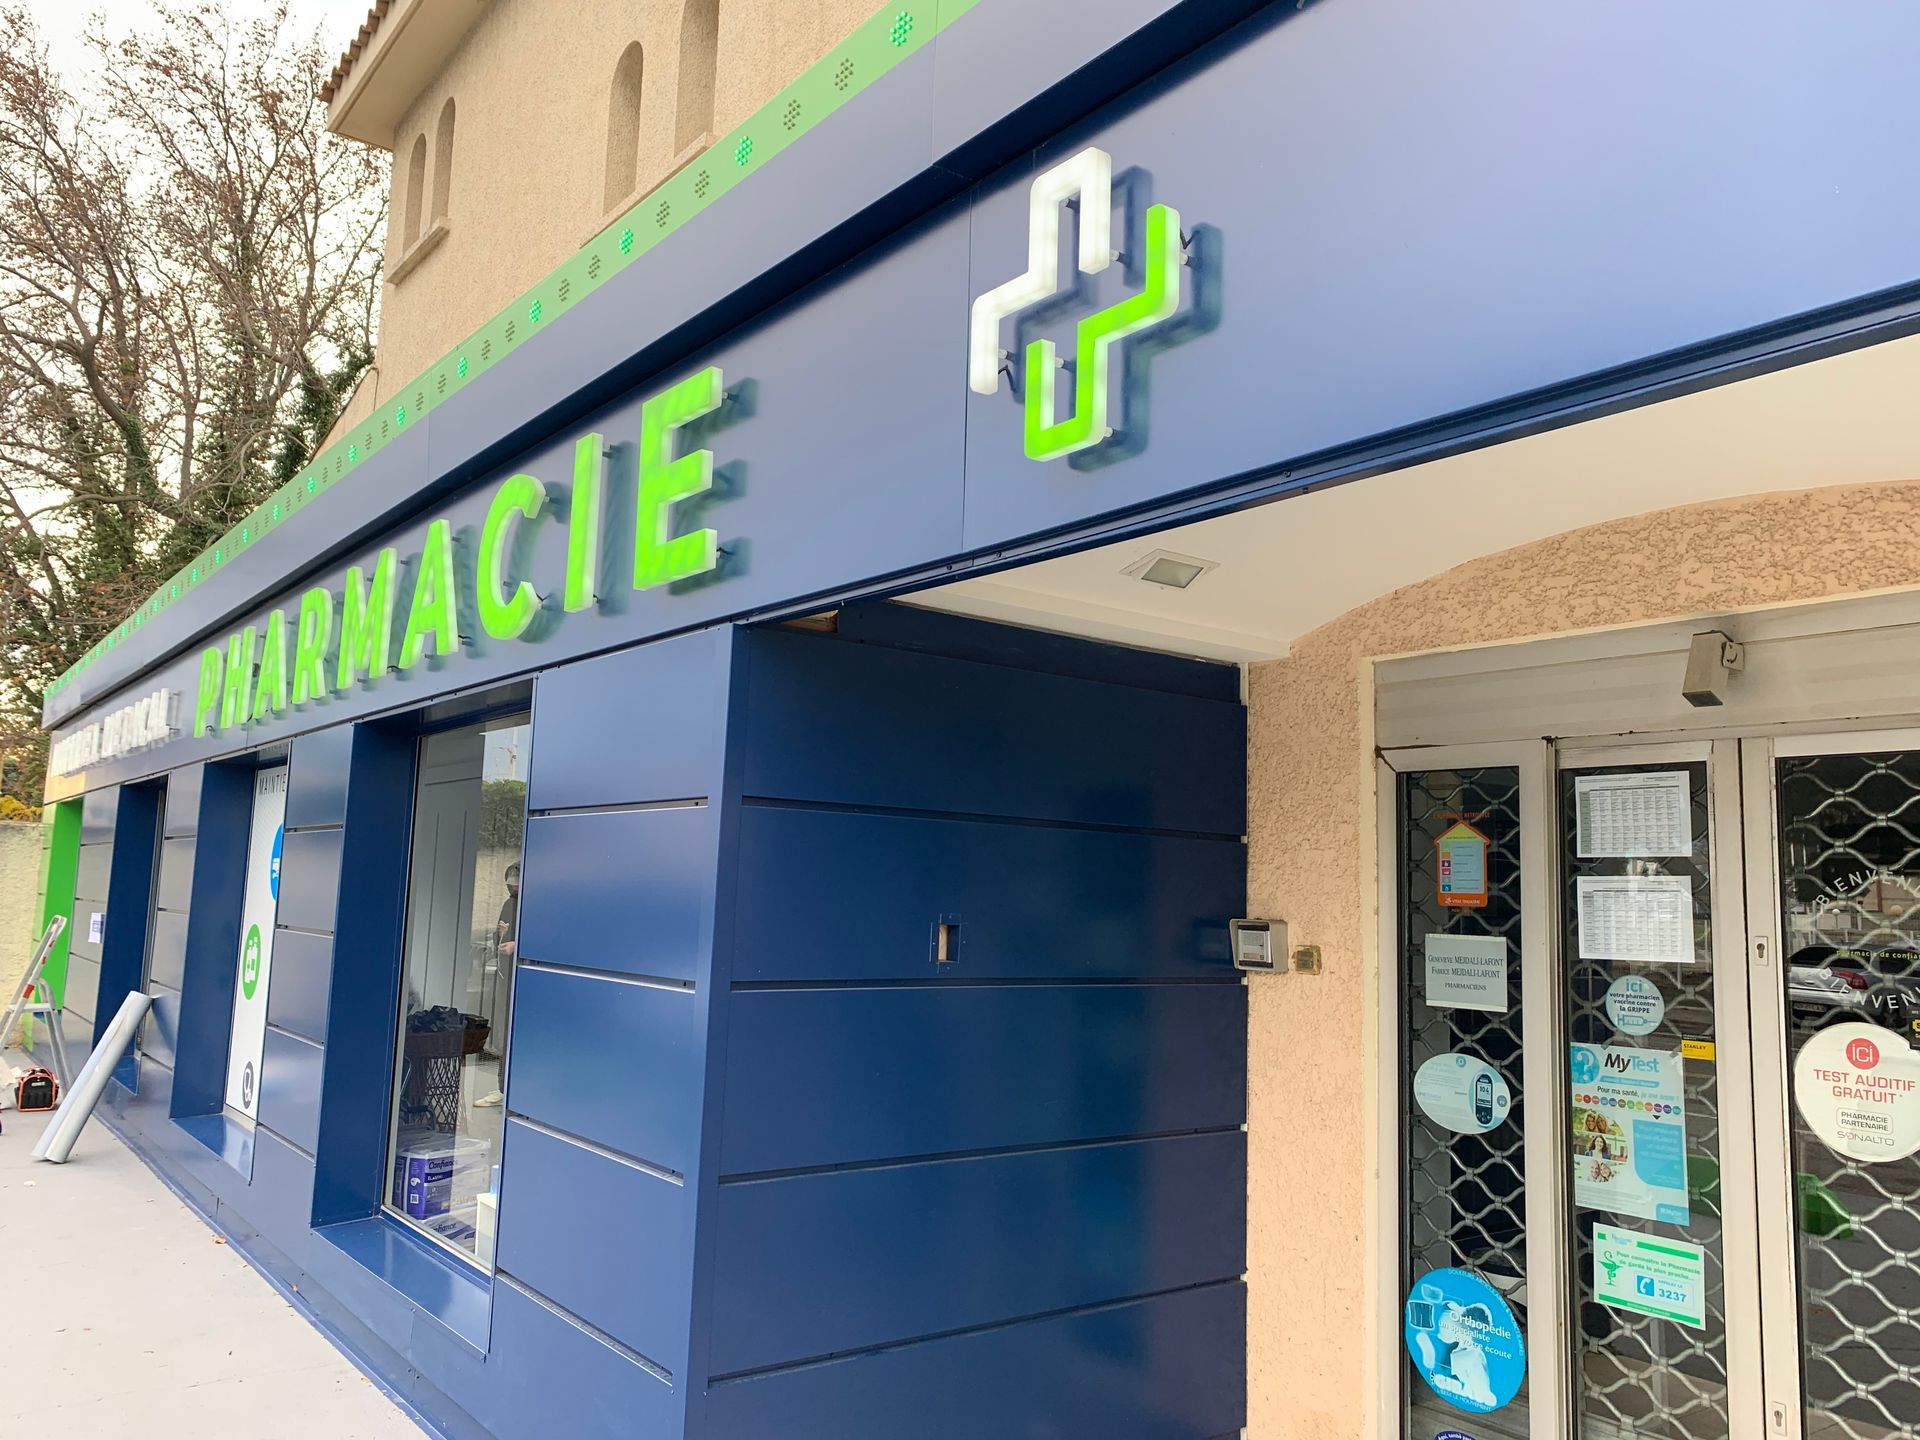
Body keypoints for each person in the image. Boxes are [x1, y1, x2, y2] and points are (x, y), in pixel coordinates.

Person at [473, 862, 520, 1109]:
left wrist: (517, 945)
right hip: (505, 979)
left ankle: (514, 1090)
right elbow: (498, 936)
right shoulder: (509, 904)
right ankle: (503, 1088)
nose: (513, 886)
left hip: (522, 981)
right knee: (505, 1030)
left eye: (517, 882)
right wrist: (501, 935)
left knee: (517, 1031)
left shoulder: (534, 904)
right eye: (510, 882)